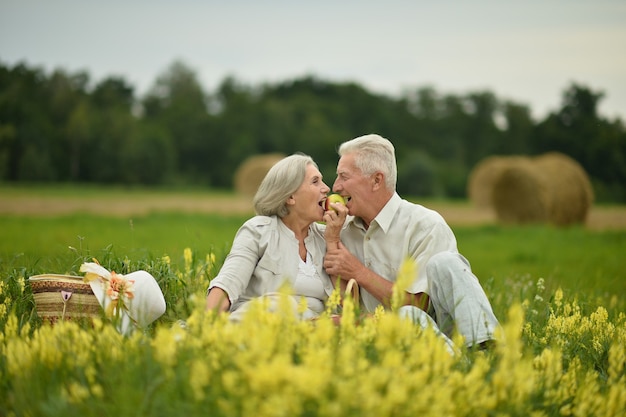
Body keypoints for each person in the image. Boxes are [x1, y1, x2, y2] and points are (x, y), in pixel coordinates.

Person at [323, 134, 500, 348]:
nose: (336, 186)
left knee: (444, 264)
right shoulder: (340, 229)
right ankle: (465, 360)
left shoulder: (425, 225)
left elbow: (420, 306)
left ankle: (485, 347)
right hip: (378, 339)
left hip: (433, 332)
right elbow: (347, 307)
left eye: (344, 177)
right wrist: (332, 238)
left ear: (377, 180)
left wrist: (358, 272)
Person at [206, 153, 338, 321]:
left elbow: (344, 303)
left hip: (309, 335)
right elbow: (227, 284)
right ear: (290, 196)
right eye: (315, 181)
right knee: (282, 304)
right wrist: (205, 326)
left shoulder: (327, 237)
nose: (326, 188)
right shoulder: (259, 231)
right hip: (256, 326)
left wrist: (334, 241)